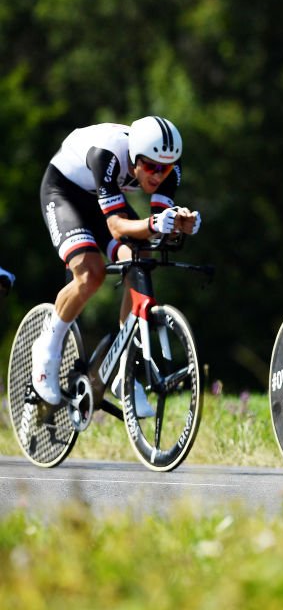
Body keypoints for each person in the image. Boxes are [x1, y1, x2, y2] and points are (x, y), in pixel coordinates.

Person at [31, 117, 201, 413]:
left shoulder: (169, 168)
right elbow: (117, 227)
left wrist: (179, 224)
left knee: (142, 259)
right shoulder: (106, 155)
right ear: (134, 158)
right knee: (89, 274)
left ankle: (125, 368)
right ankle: (47, 347)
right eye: (150, 167)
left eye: (166, 168)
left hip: (101, 198)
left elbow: (157, 227)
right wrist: (153, 223)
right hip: (64, 193)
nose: (159, 176)